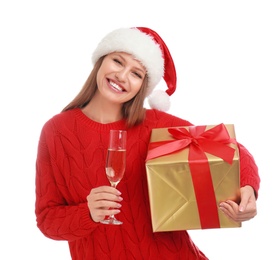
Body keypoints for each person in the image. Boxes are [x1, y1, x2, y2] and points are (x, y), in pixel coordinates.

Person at [35, 27, 260, 260]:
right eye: (117, 61)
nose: (122, 76)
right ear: (101, 61)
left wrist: (247, 189)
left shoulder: (157, 126)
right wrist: (88, 213)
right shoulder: (57, 132)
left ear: (143, 85)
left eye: (136, 73)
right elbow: (47, 220)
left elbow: (231, 149)